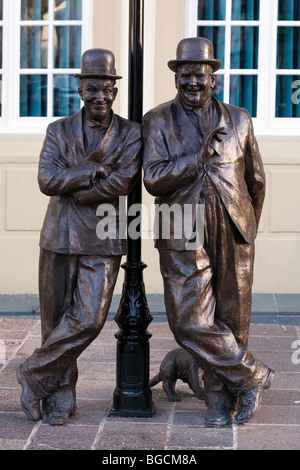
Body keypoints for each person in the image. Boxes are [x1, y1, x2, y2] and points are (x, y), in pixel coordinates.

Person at [142, 37, 274, 427]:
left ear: (213, 78)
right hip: (179, 225)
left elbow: (257, 181)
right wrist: (194, 159)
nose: (192, 84)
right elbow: (152, 178)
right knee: (189, 320)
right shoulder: (158, 120)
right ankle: (253, 375)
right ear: (176, 78)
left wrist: (244, 226)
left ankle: (219, 400)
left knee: (232, 318)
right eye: (185, 76)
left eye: (199, 75)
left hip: (232, 226)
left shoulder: (239, 119)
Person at [17, 49, 142, 425]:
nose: (100, 96)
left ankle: (33, 372)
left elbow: (123, 182)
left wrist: (74, 183)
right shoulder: (58, 130)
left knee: (88, 318)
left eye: (106, 88)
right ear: (80, 90)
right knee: (55, 323)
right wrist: (94, 171)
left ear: (115, 91)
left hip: (104, 237)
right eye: (92, 88)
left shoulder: (131, 133)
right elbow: (46, 180)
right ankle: (61, 393)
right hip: (58, 236)